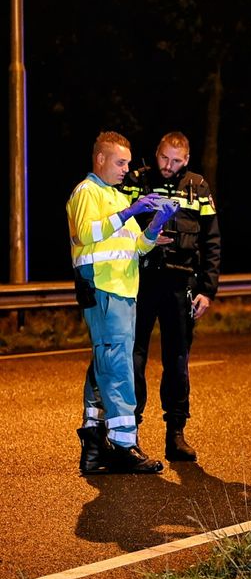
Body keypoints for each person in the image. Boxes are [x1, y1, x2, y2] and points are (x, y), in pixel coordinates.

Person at [67, 131, 178, 474]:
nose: (127, 169)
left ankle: (95, 445)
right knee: (117, 369)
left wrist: (156, 224)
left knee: (105, 365)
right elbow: (85, 234)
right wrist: (133, 209)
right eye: (120, 162)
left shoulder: (114, 196)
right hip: (104, 289)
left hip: (122, 291)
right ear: (99, 159)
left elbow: (135, 248)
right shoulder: (87, 192)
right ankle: (124, 445)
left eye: (128, 162)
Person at [120, 132, 221, 462]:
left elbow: (212, 243)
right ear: (157, 152)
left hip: (182, 285)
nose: (169, 166)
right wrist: (144, 235)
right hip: (142, 280)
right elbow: (116, 222)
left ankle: (175, 434)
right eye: (164, 158)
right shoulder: (137, 181)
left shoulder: (199, 187)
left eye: (176, 160)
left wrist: (207, 289)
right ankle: (130, 432)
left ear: (187, 160)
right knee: (134, 357)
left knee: (177, 360)